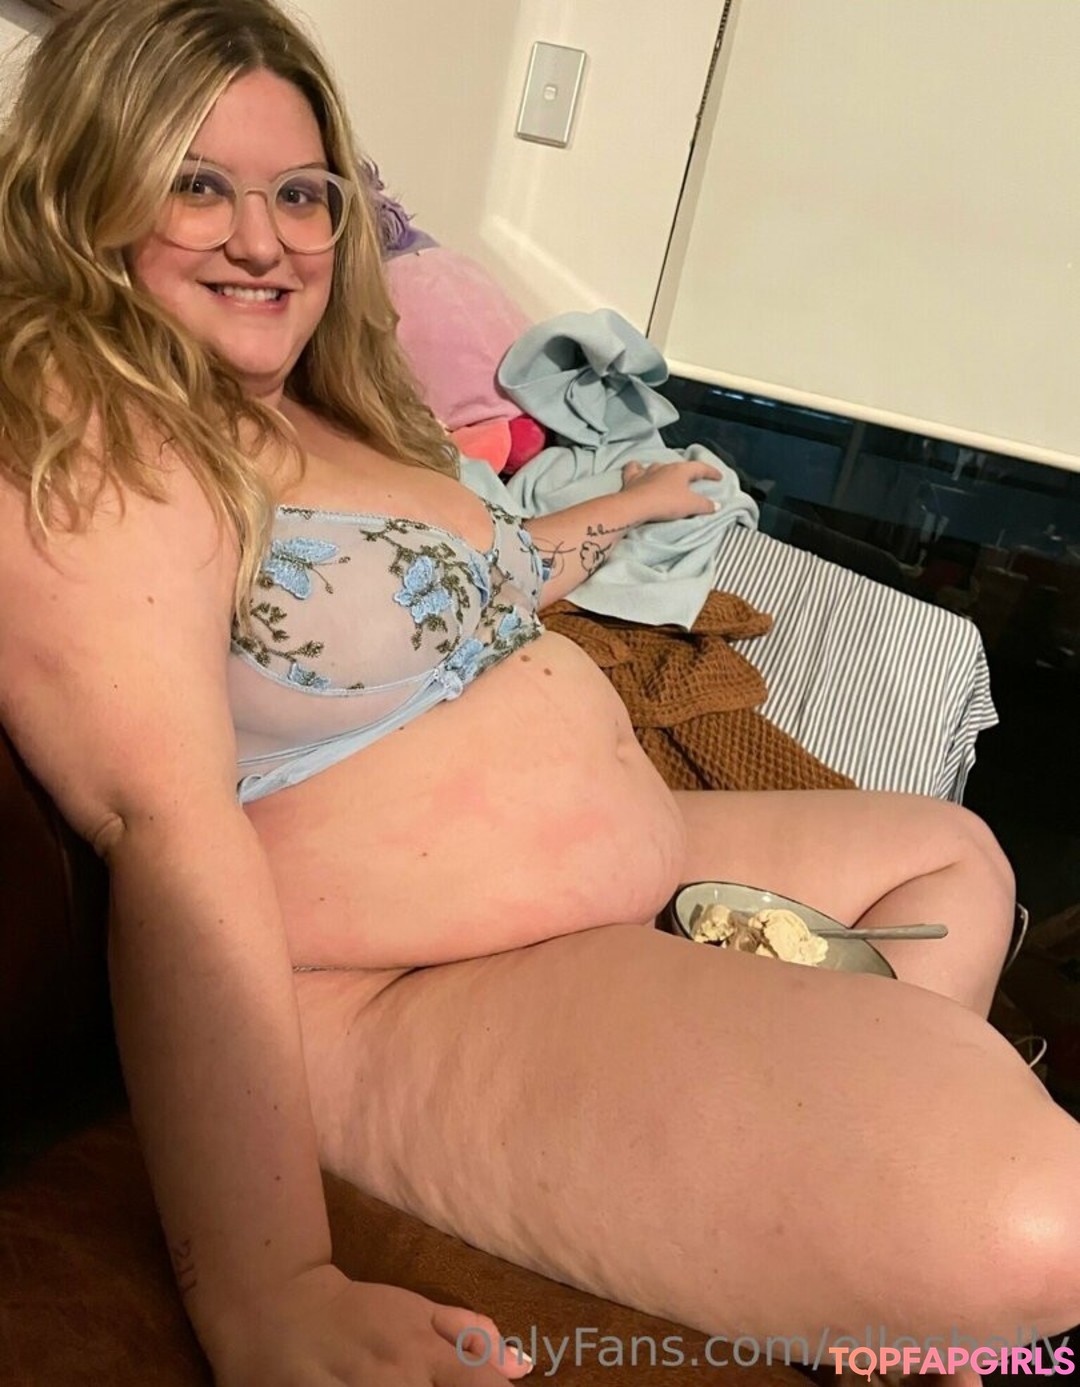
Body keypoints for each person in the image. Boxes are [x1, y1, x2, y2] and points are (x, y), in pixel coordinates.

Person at [0, 1, 1077, 1384]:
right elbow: (164, 824)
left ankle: (836, 1204)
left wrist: (629, 506)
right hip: (399, 983)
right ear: (89, 193)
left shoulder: (326, 408)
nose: (263, 239)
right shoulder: (88, 419)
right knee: (1042, 1224)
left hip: (614, 876)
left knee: (952, 859)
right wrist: (268, 1292)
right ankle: (880, 1204)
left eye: (301, 194)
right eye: (198, 185)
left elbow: (485, 578)